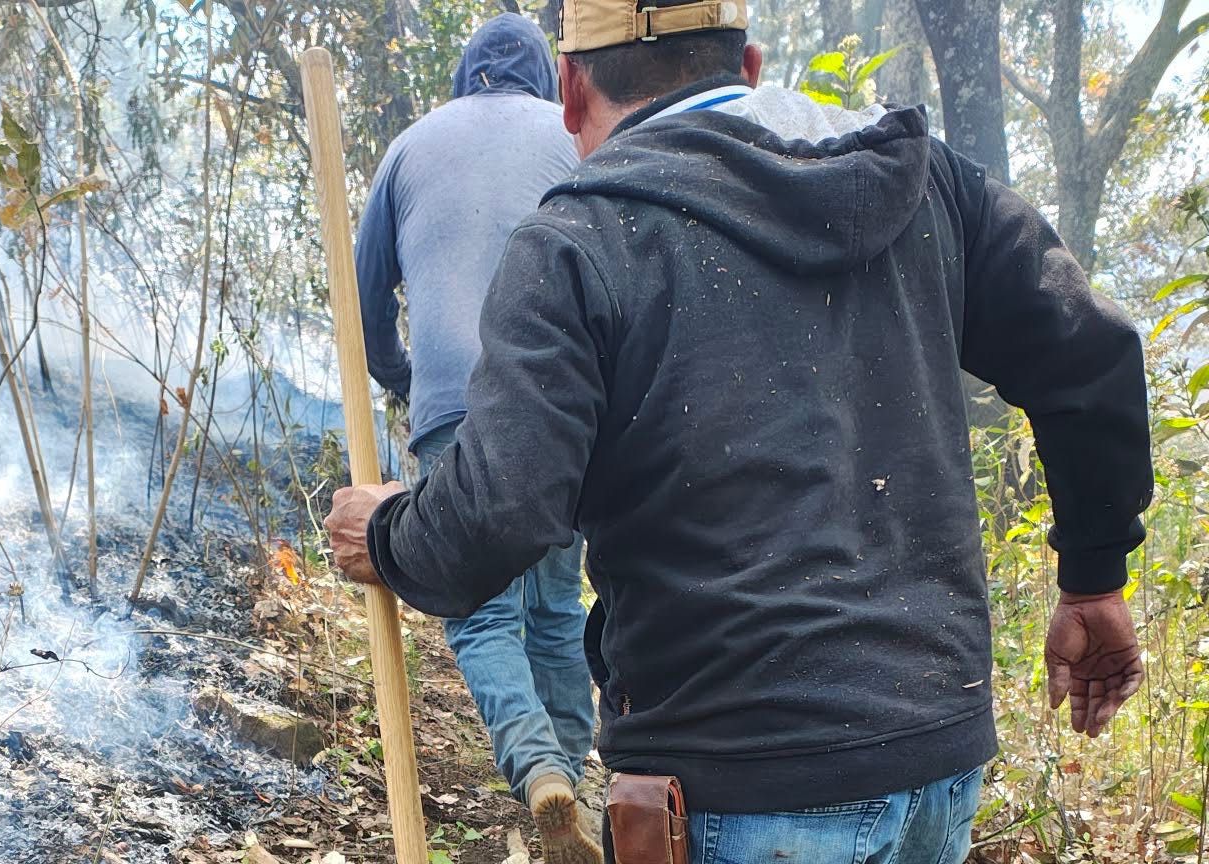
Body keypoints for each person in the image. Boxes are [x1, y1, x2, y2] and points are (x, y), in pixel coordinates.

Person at [327, 0, 1153, 860]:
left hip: (732, 785)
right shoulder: (927, 183)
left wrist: (382, 530)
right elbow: (1087, 349)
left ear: (571, 92)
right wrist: (1094, 579)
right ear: (748, 67)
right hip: (933, 759)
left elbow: (500, 511)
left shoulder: (579, 237)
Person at [352, 13, 600, 861]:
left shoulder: (410, 146)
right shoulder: (574, 134)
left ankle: (536, 769)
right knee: (558, 605)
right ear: (546, 79)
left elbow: (367, 303)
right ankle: (568, 770)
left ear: (465, 80)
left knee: (479, 606)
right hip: (566, 397)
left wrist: (401, 379)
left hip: (455, 399)